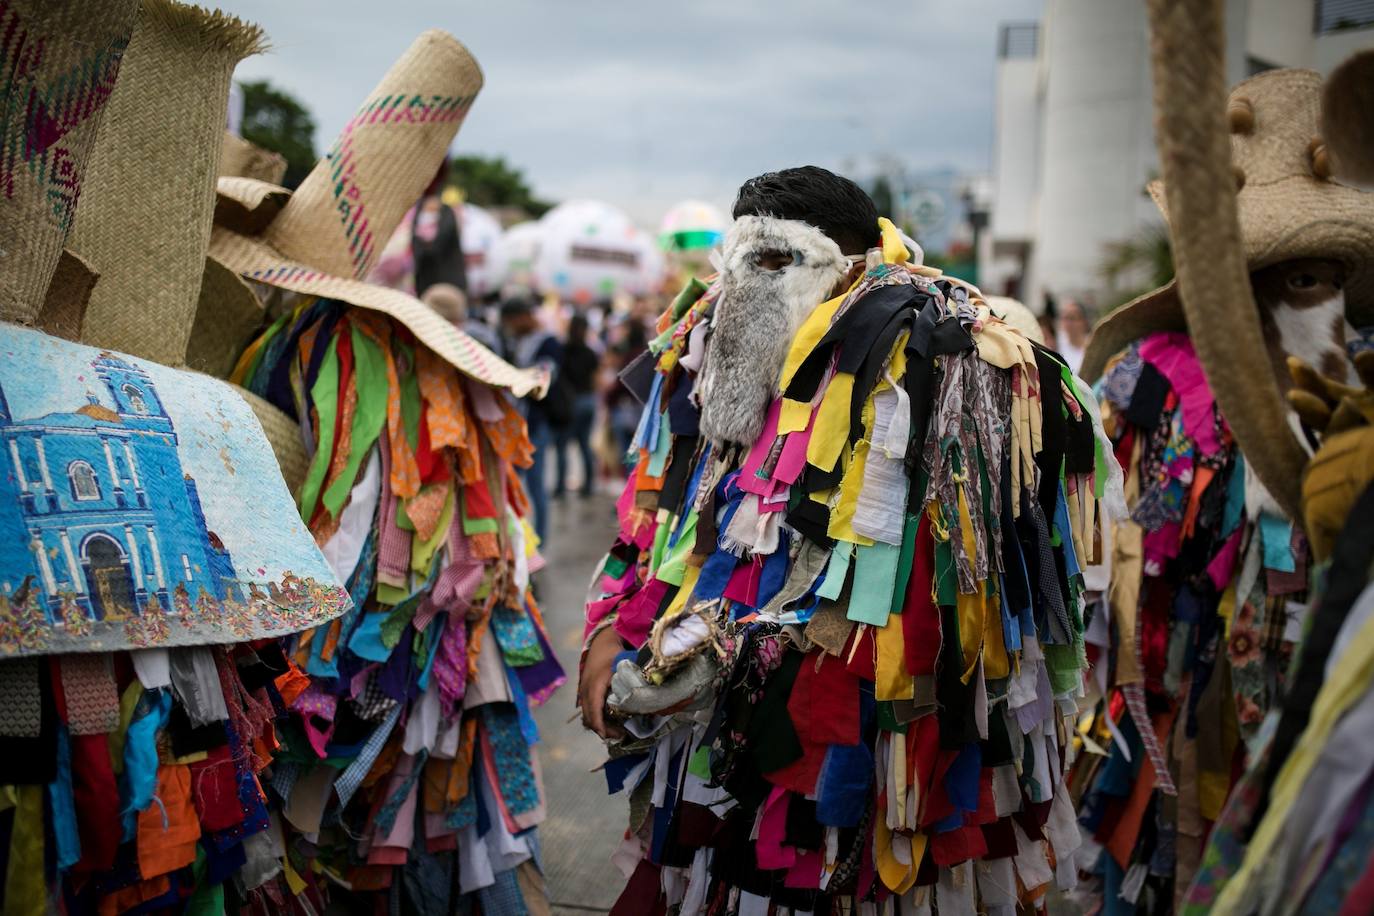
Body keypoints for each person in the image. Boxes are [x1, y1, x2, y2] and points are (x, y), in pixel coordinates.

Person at [577, 165, 1102, 911]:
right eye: (737, 262)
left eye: (774, 261)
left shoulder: (938, 363)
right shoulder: (708, 355)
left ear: (847, 265)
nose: (744, 290)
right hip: (717, 738)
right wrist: (617, 626)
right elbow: (668, 519)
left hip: (873, 737)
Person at [501, 298, 562, 543]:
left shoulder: (548, 342)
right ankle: (516, 537)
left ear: (524, 316)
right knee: (511, 484)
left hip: (536, 424)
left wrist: (518, 380)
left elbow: (545, 378)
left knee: (536, 485)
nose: (511, 326)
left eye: (513, 321)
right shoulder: (514, 341)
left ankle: (539, 540)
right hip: (515, 424)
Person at [554, 313, 600, 498]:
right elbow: (596, 379)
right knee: (584, 445)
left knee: (562, 446)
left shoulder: (562, 350)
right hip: (588, 400)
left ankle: (560, 487)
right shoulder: (590, 352)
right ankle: (589, 485)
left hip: (569, 402)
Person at [1054, 297, 1091, 374]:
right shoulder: (1057, 344)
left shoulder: (1092, 345)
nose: (1068, 323)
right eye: (1065, 318)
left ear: (1084, 321)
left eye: (1072, 318)